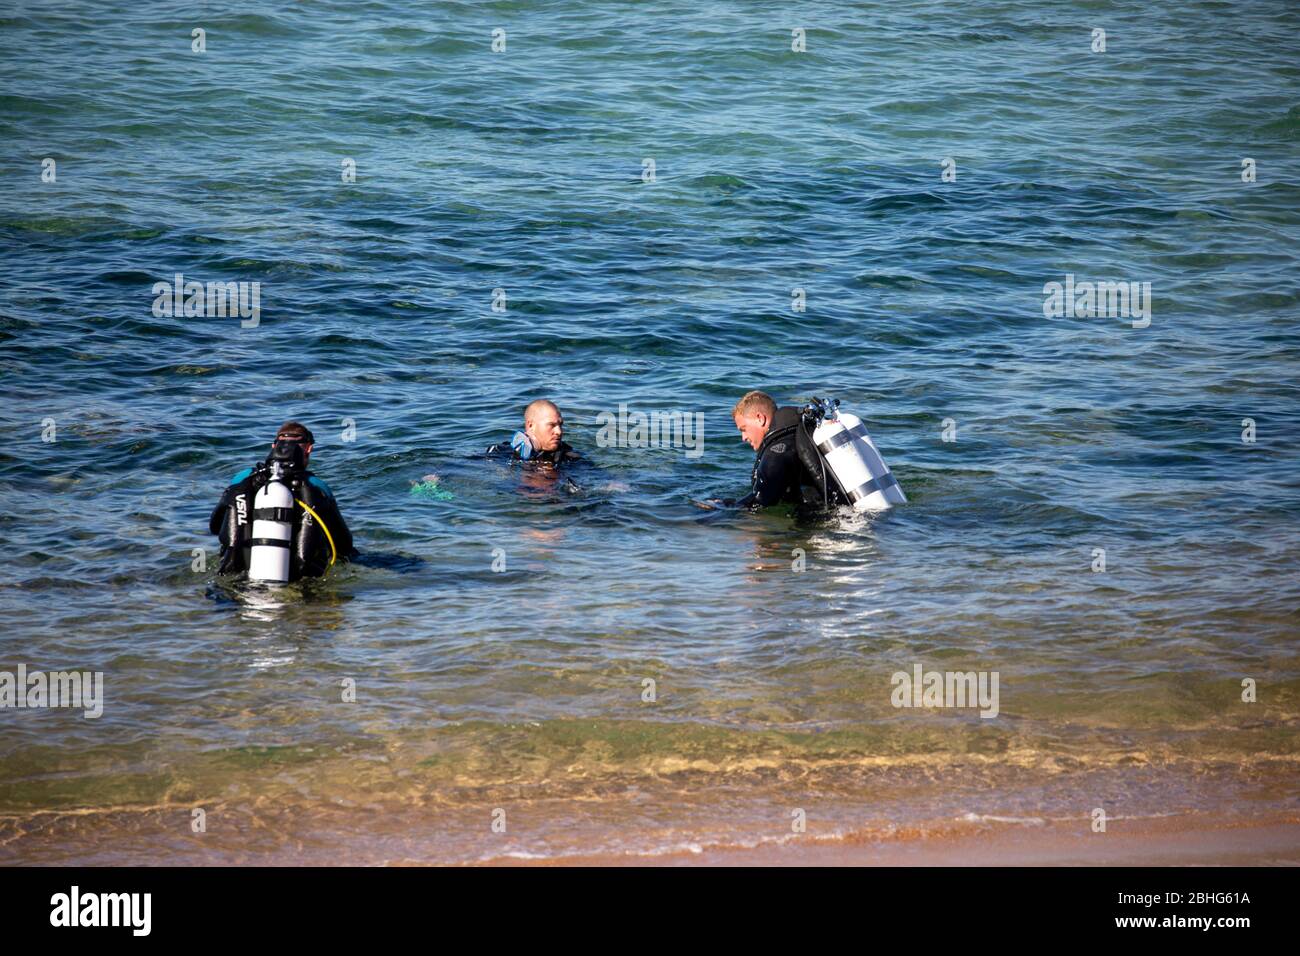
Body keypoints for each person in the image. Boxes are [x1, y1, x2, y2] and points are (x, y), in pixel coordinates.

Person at [208, 421, 357, 579]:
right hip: (296, 577)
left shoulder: (243, 478)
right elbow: (344, 544)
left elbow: (215, 527)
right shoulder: (316, 486)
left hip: (240, 571)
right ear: (309, 449)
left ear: (274, 447)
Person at [729, 390, 844, 511]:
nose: (743, 438)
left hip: (835, 518)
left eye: (743, 429)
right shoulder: (800, 431)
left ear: (760, 418)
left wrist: (723, 506)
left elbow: (762, 499)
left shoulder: (777, 451)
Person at [485, 399, 581, 466]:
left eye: (560, 425)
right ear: (531, 426)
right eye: (551, 425)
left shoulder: (569, 456)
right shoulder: (499, 453)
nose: (559, 431)